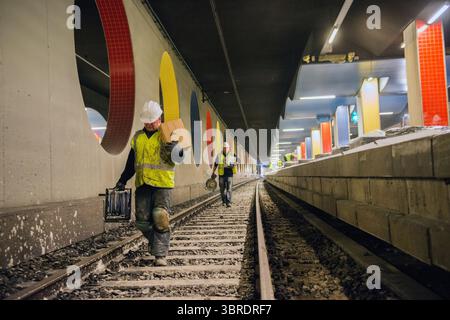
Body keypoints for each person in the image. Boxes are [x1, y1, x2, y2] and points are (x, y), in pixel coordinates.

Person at [115, 101, 182, 267]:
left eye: (152, 120)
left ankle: (160, 254)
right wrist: (123, 179)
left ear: (159, 118)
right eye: (147, 121)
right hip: (143, 184)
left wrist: (175, 147)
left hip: (162, 183)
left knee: (160, 216)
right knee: (142, 222)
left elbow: (178, 159)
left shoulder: (167, 134)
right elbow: (132, 161)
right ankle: (157, 242)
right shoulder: (138, 137)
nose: (150, 124)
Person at [211, 142, 238, 208]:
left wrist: (234, 164)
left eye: (227, 148)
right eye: (224, 148)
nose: (225, 149)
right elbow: (216, 164)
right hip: (221, 175)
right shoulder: (219, 155)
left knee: (229, 189)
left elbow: (237, 161)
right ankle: (223, 201)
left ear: (229, 148)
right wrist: (213, 172)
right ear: (223, 148)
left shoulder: (232, 155)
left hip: (229, 174)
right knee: (222, 189)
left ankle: (228, 202)